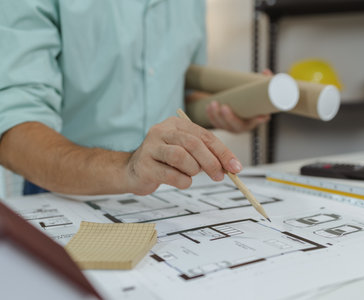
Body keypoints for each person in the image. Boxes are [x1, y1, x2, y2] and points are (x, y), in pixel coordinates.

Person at [0, 1, 270, 196]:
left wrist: (226, 112)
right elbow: (13, 132)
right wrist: (129, 167)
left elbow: (180, 97)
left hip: (172, 193)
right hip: (65, 187)